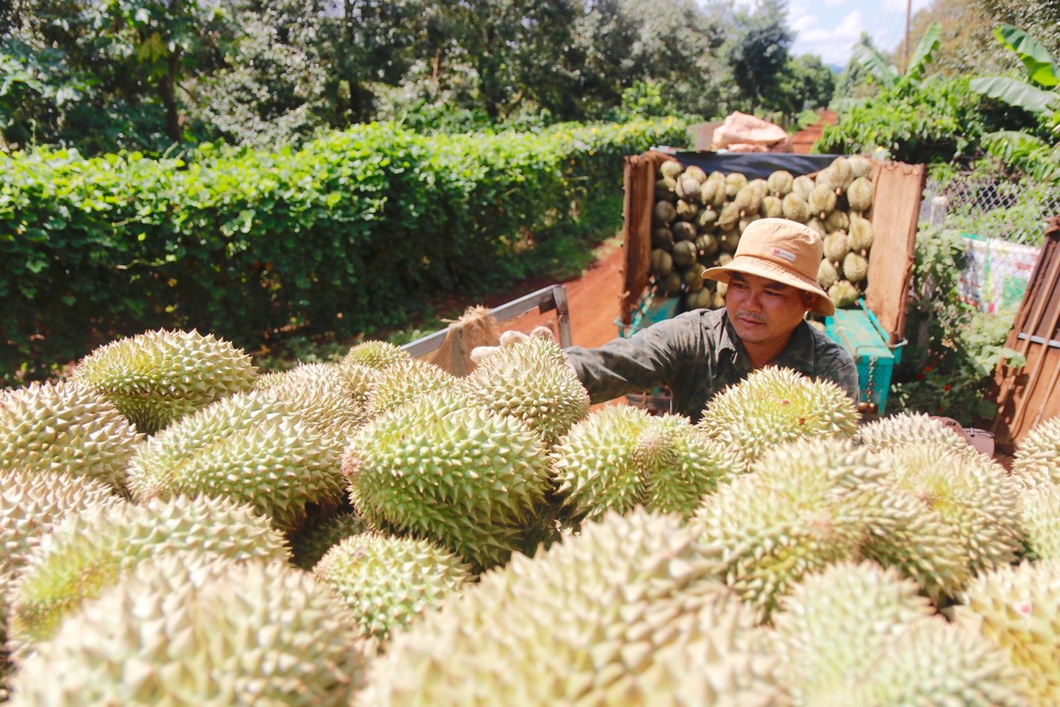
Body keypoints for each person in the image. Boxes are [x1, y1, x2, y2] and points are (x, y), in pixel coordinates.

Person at [562, 217, 859, 423]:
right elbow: (618, 361)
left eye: (771, 292)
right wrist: (555, 366)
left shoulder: (828, 370)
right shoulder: (693, 336)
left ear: (807, 302)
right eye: (740, 286)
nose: (749, 304)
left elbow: (835, 459)